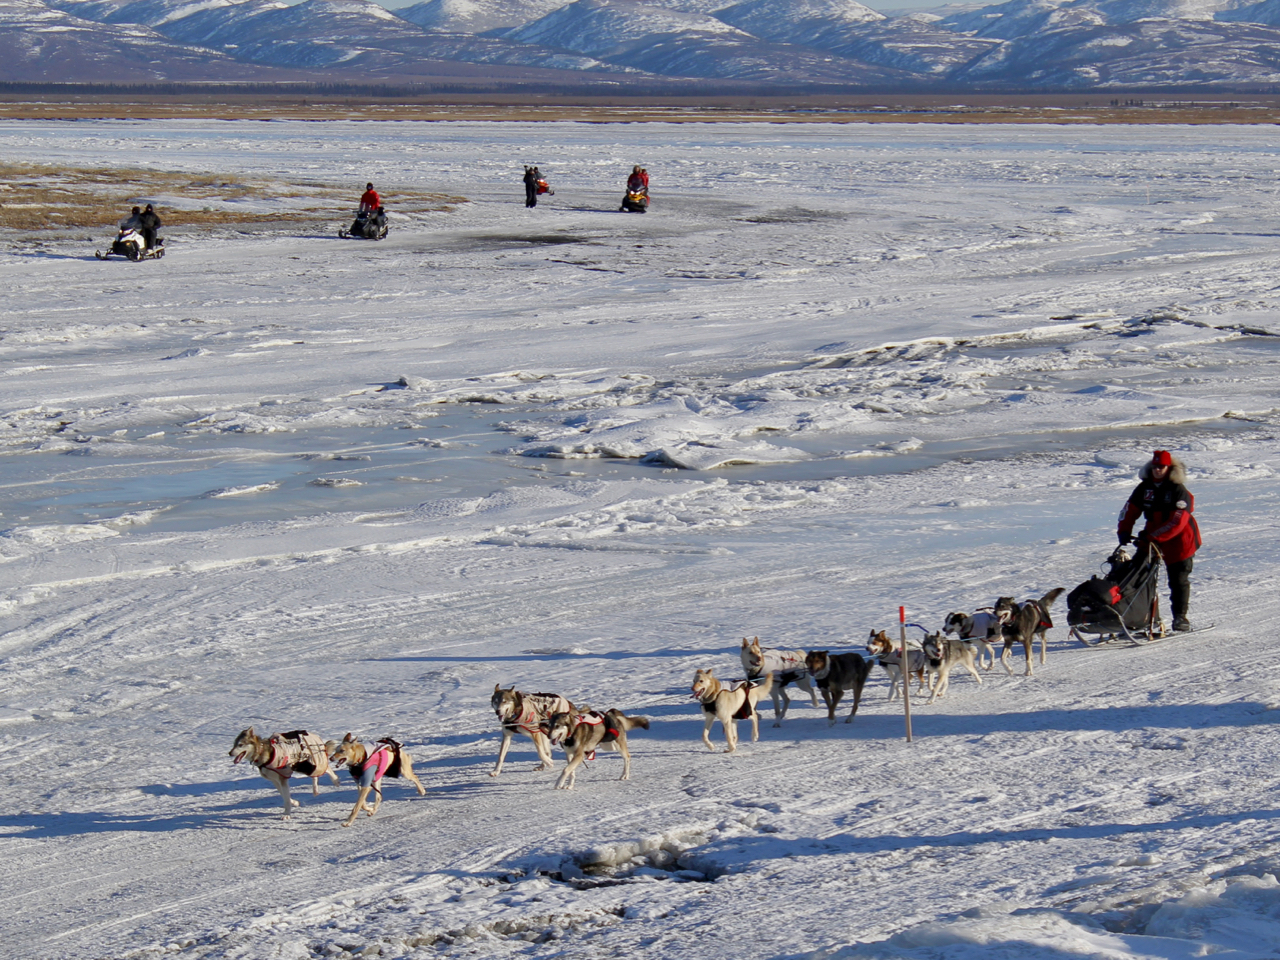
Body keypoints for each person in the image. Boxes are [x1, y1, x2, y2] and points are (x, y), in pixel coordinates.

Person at [1117, 449, 1202, 632]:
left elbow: (1177, 522)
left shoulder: (1178, 490)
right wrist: (1124, 530)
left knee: (1178, 579)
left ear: (1169, 468)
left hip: (1180, 540)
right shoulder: (1144, 488)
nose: (1158, 470)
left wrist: (1154, 537)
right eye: (1155, 467)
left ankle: (1180, 618)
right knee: (1137, 575)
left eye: (1162, 467)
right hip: (1152, 537)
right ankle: (1137, 616)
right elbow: (1129, 510)